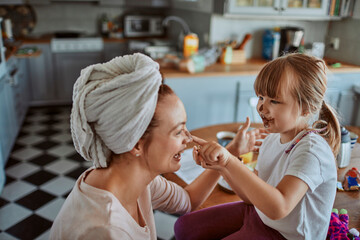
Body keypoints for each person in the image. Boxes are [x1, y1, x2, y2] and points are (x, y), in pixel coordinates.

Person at [50, 53, 260, 239]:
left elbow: (188, 200)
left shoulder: (135, 179)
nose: (188, 139)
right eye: (178, 131)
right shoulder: (104, 229)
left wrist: (229, 153)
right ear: (136, 145)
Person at [174, 53, 341, 240]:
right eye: (261, 97)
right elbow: (250, 197)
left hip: (285, 235)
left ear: (306, 108)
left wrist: (229, 162)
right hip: (260, 214)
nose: (262, 107)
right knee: (184, 228)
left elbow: (279, 207)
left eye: (274, 101)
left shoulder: (311, 150)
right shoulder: (271, 138)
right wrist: (221, 165)